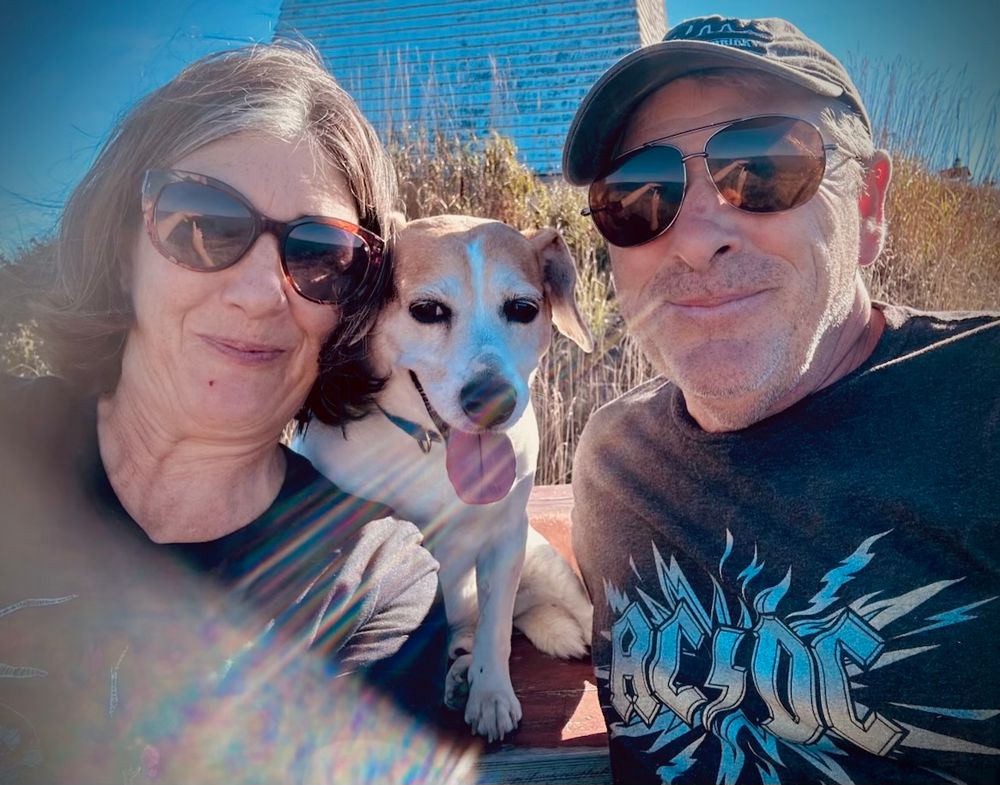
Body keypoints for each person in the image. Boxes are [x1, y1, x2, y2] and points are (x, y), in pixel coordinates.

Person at [0, 43, 471, 784]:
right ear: (124, 250)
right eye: (204, 223)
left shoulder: (376, 585)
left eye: (321, 255)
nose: (260, 292)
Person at [563, 15, 999, 785]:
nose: (697, 238)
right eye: (639, 192)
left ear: (868, 206)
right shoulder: (612, 462)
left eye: (762, 167)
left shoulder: (982, 397)